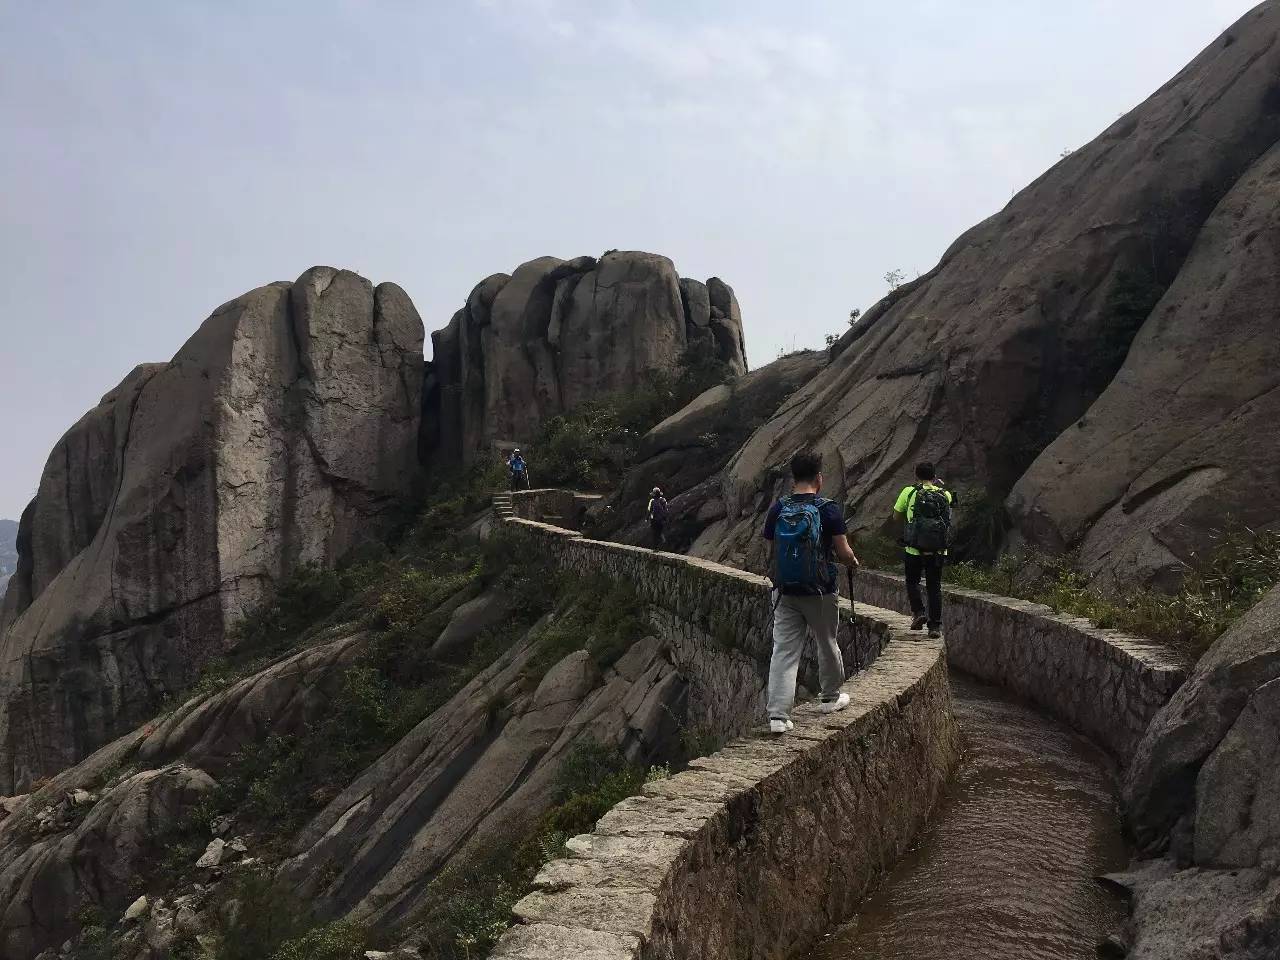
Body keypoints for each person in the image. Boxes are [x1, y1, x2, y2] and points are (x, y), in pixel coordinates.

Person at [762, 451, 860, 734]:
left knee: (784, 649)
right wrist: (853, 562)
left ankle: (778, 716)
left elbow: (771, 550)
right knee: (826, 641)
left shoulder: (778, 509)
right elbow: (843, 552)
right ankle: (830, 698)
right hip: (820, 591)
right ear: (819, 478)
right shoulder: (828, 509)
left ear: (793, 478)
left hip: (785, 591)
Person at [892, 462, 954, 638]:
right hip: (937, 550)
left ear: (916, 475)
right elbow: (950, 512)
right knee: (934, 587)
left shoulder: (909, 492)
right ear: (934, 476)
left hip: (914, 548)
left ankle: (919, 612)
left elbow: (896, 516)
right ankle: (934, 627)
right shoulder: (945, 494)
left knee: (912, 581)